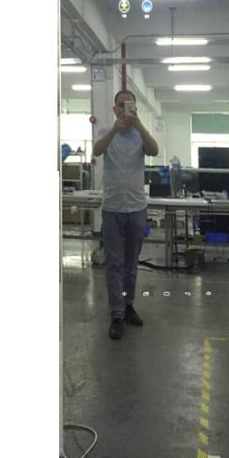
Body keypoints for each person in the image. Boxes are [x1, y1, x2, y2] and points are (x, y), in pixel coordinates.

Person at [93, 90, 159, 340]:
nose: (124, 108)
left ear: (135, 108)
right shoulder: (105, 133)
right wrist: (114, 129)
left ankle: (128, 305)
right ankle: (116, 314)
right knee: (114, 266)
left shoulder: (139, 134)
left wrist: (139, 124)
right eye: (121, 105)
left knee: (131, 265)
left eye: (129, 105)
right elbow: (97, 151)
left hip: (136, 209)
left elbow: (154, 150)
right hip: (112, 210)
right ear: (114, 109)